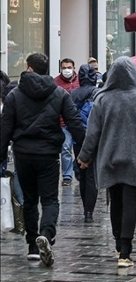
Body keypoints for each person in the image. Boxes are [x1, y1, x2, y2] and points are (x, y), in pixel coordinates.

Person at [78, 57, 136, 268]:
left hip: (110, 158)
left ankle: (118, 242)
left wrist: (84, 157)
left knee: (115, 201)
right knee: (130, 204)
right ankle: (125, 252)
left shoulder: (102, 99)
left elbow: (92, 133)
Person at [0, 53, 86, 267]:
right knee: (49, 199)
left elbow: (5, 129)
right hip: (48, 154)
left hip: (23, 154)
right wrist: (85, 152)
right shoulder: (59, 93)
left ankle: (32, 246)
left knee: (29, 200)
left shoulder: (14, 95)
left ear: (29, 67)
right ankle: (46, 234)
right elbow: (74, 122)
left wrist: (1, 155)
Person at [70, 63, 100, 223]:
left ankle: (85, 209)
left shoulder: (73, 94)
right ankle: (90, 211)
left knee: (82, 173)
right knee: (92, 175)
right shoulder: (98, 93)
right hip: (94, 139)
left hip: (78, 139)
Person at [55, 58, 80, 186]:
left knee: (80, 149)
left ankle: (79, 172)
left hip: (78, 122)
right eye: (64, 68)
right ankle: (67, 176)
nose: (66, 70)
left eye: (69, 67)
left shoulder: (80, 81)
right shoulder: (56, 82)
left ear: (74, 68)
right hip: (63, 122)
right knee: (65, 148)